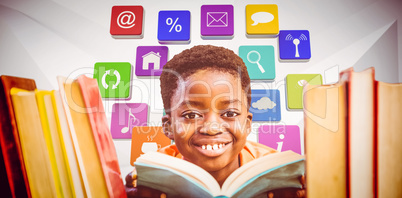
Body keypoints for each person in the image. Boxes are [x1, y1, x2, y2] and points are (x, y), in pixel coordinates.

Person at [125, 45, 305, 198]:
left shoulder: (279, 172)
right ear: (169, 126)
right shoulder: (152, 173)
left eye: (230, 113)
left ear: (247, 123)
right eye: (191, 115)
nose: (211, 128)